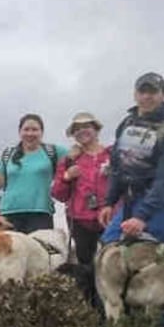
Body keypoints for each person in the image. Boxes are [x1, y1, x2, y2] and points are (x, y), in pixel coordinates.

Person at [98, 73, 164, 247]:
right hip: (130, 202)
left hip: (163, 207)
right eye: (142, 91)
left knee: (161, 265)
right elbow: (118, 167)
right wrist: (109, 202)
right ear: (135, 94)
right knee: (108, 250)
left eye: (153, 92)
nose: (147, 97)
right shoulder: (126, 125)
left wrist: (142, 216)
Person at [0, 114, 68, 233]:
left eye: (34, 130)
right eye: (26, 129)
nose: (30, 133)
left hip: (40, 213)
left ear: (41, 132)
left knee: (39, 250)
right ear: (20, 132)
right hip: (9, 213)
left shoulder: (53, 151)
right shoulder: (8, 154)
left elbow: (74, 159)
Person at [51, 112, 112, 265]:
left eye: (86, 126)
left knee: (113, 262)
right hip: (80, 220)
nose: (81, 131)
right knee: (85, 264)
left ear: (96, 130)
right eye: (76, 129)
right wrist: (67, 177)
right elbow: (58, 194)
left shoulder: (112, 155)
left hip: (111, 217)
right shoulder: (68, 160)